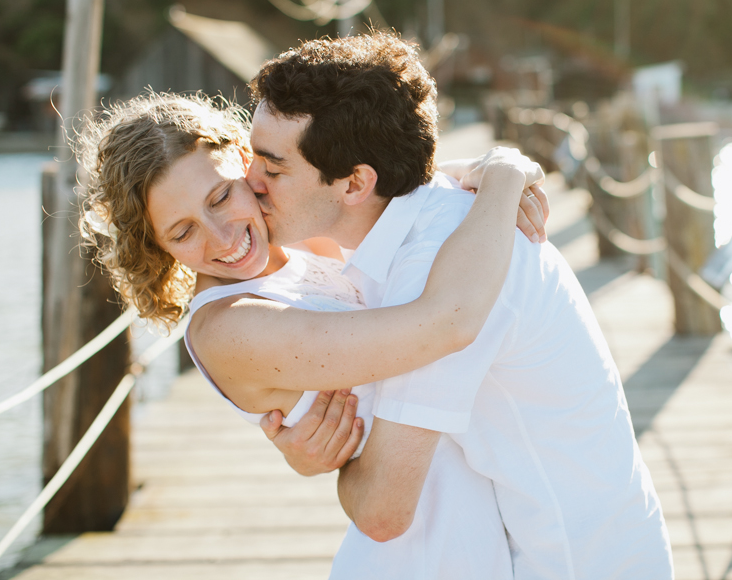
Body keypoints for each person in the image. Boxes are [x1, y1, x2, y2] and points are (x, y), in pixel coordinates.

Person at [251, 32, 674, 579]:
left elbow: (383, 510)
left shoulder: (439, 267)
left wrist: (329, 461)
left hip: (574, 562)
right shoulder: (442, 215)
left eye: (273, 167)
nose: (250, 182)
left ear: (356, 183)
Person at [77, 90, 548, 579]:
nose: (221, 237)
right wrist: (503, 178)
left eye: (220, 196)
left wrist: (473, 167)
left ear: (245, 161)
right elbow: (443, 324)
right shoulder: (228, 328)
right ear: (154, 245)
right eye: (182, 232)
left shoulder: (300, 241)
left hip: (490, 525)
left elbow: (376, 200)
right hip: (421, 553)